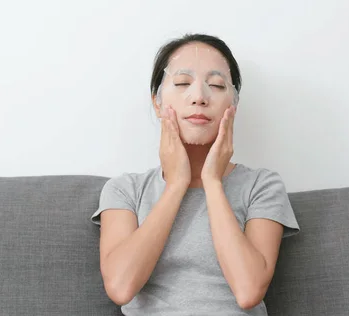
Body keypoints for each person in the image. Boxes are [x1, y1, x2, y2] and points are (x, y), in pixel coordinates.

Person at [90, 33, 300, 316]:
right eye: (181, 83)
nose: (199, 97)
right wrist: (176, 185)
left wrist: (213, 183)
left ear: (233, 105)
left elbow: (248, 290)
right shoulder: (125, 190)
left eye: (215, 85)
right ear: (157, 102)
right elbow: (121, 287)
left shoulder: (261, 186)